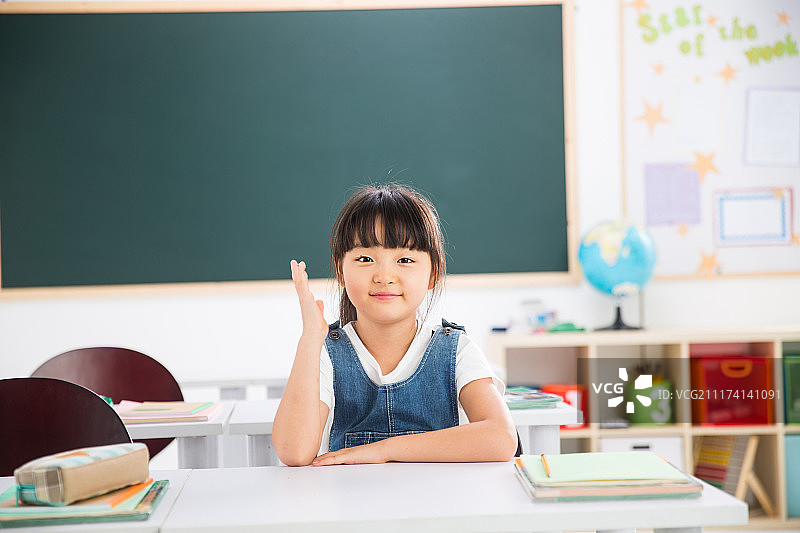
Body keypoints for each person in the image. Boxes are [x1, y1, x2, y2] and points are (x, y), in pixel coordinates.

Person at [273, 183, 518, 466]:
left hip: (439, 505)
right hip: (352, 506)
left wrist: (383, 450)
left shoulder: (456, 350)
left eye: (404, 259)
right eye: (365, 259)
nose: (384, 276)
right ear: (340, 271)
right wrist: (310, 340)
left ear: (433, 274)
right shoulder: (325, 351)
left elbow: (501, 438)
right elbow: (294, 452)